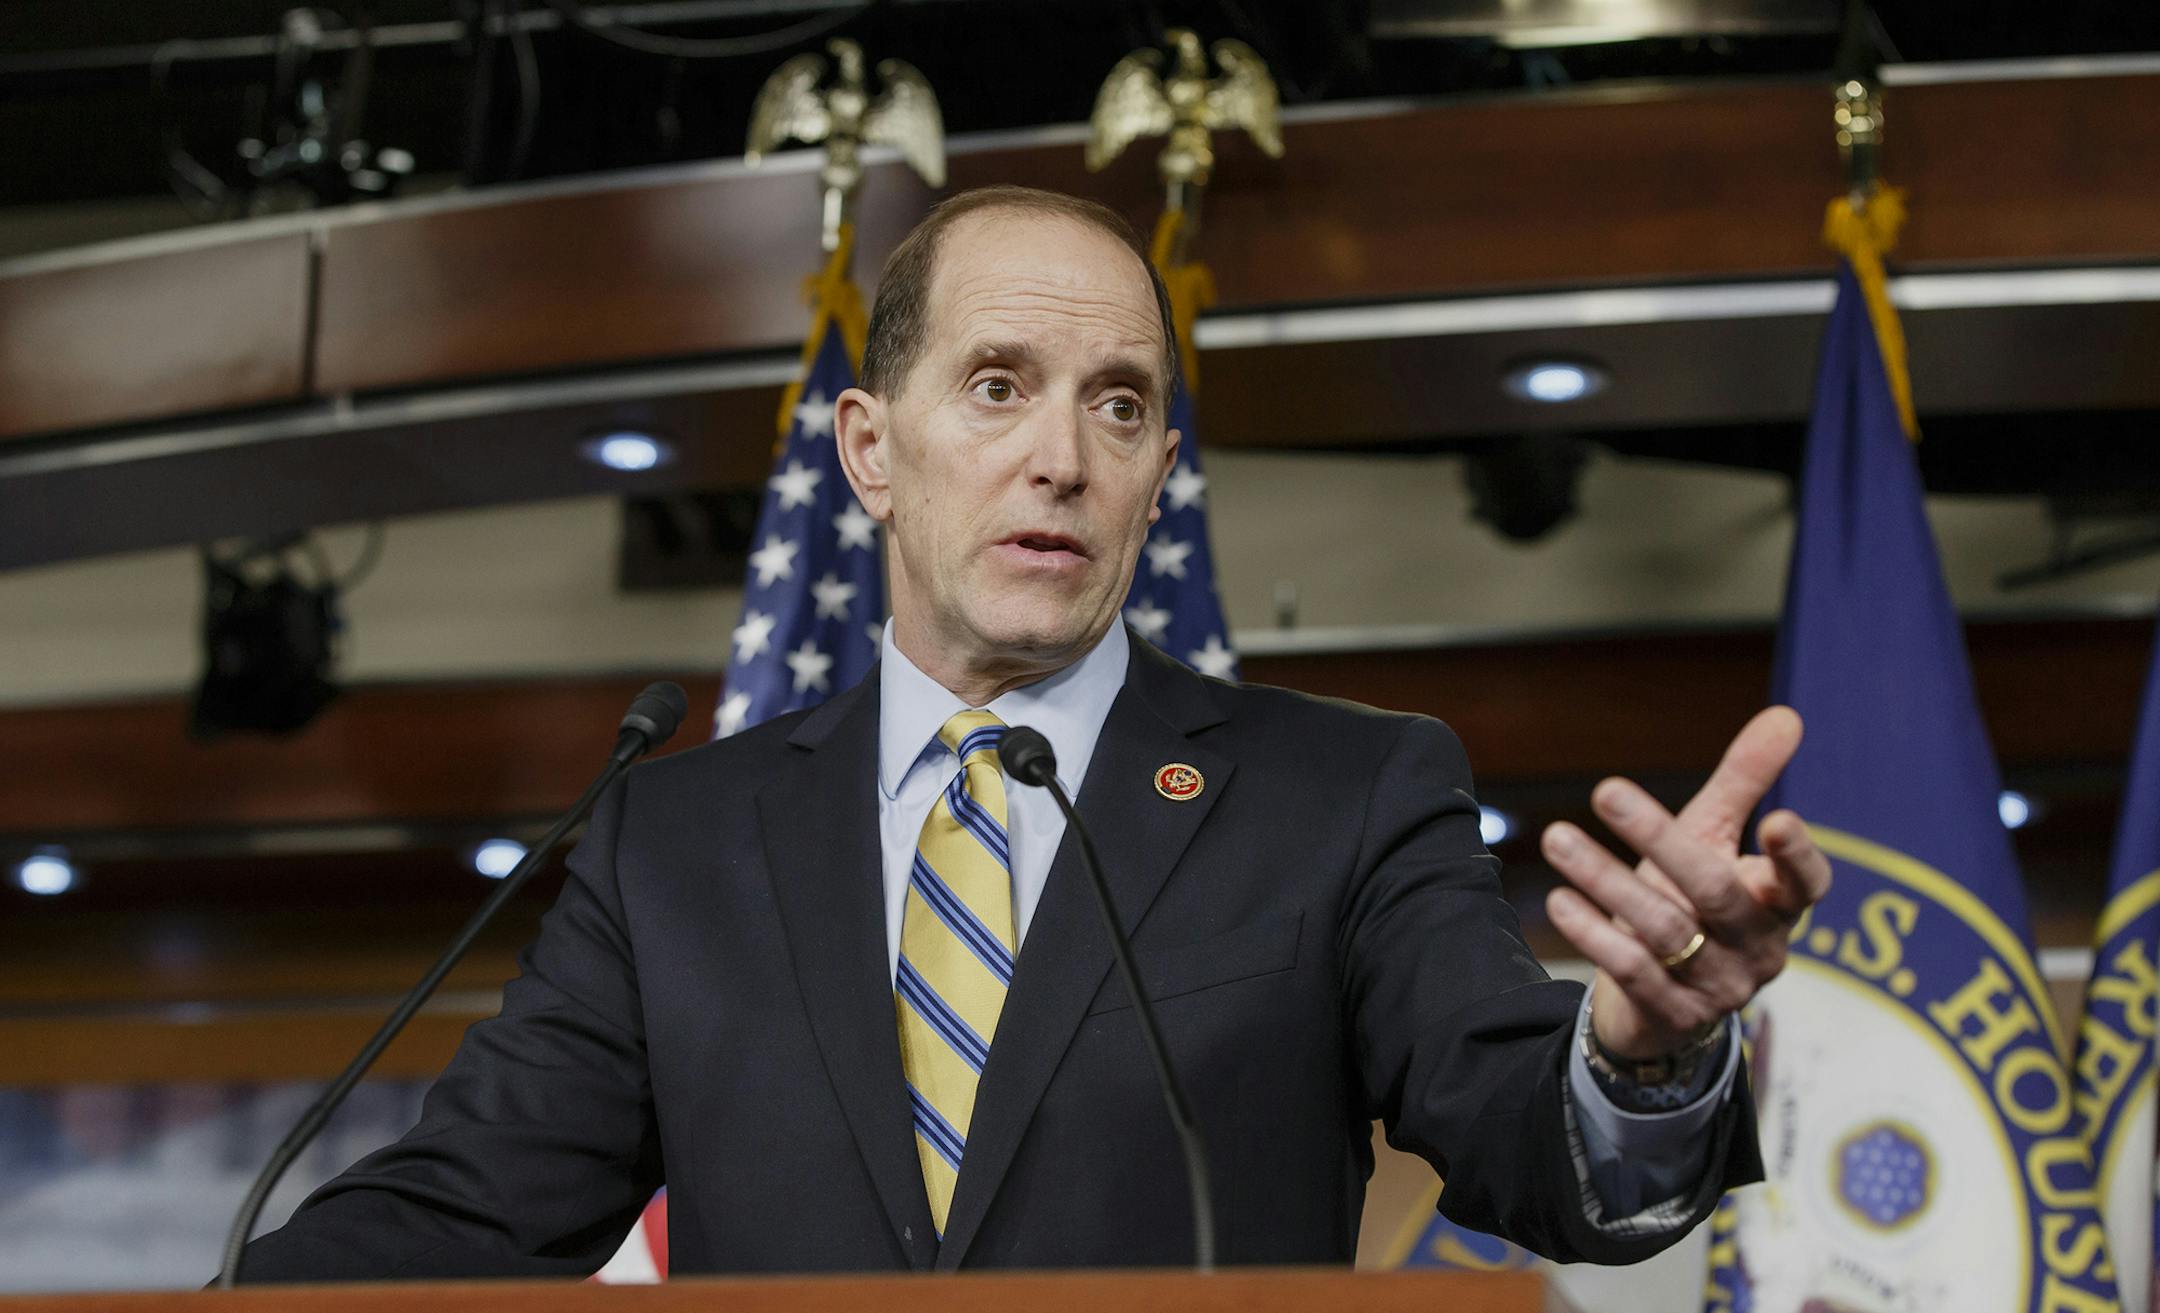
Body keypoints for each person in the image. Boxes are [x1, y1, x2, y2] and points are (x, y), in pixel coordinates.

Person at [237, 185, 1829, 1280]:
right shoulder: (680, 841)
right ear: (872, 451)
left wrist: (1648, 1053)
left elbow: (1525, 1144)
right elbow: (469, 1210)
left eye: (1119, 403)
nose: (1063, 455)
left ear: (1155, 476)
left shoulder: (1345, 793)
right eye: (998, 385)